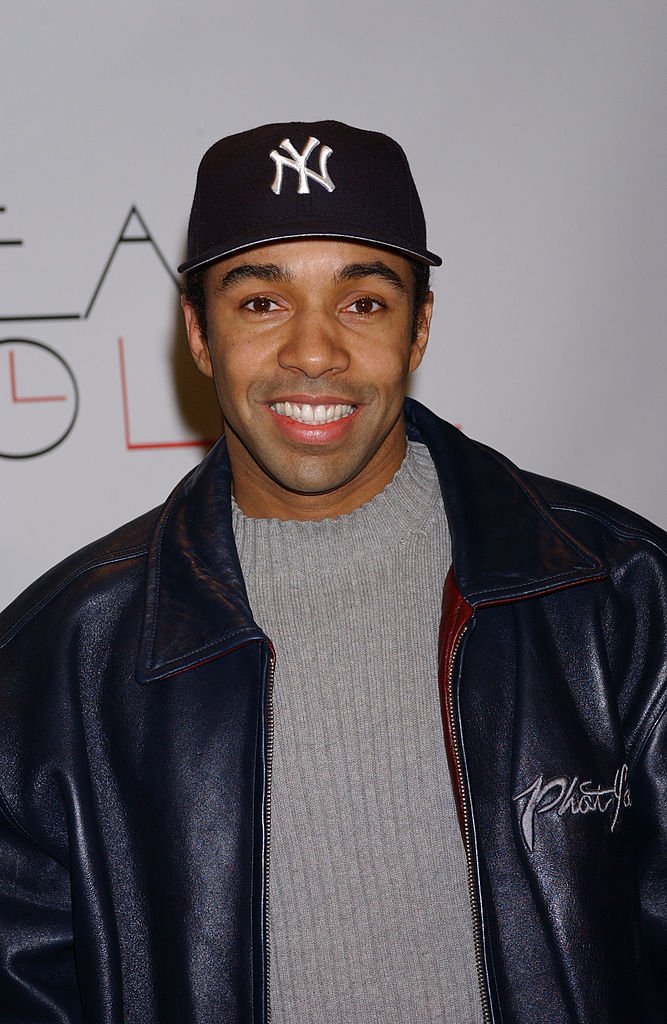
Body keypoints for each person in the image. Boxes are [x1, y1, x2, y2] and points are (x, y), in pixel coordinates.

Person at [0, 120, 665, 1024]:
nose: (314, 353)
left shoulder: (617, 593)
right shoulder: (56, 660)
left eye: (362, 302)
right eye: (261, 302)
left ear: (419, 327)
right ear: (198, 334)